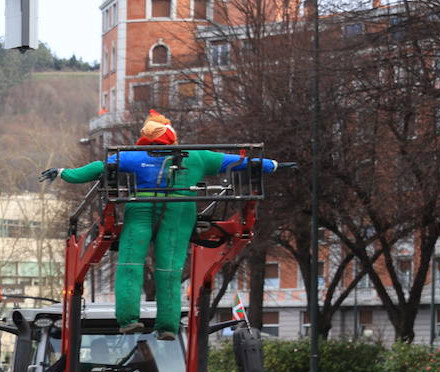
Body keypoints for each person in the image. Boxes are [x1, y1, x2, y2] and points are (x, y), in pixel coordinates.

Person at [40, 110, 295, 339]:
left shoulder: (132, 157)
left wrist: (63, 172)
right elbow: (238, 163)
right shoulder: (198, 157)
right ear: (172, 136)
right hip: (179, 211)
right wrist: (273, 165)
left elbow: (96, 168)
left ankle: (128, 319)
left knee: (130, 264)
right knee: (170, 271)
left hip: (141, 208)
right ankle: (168, 327)